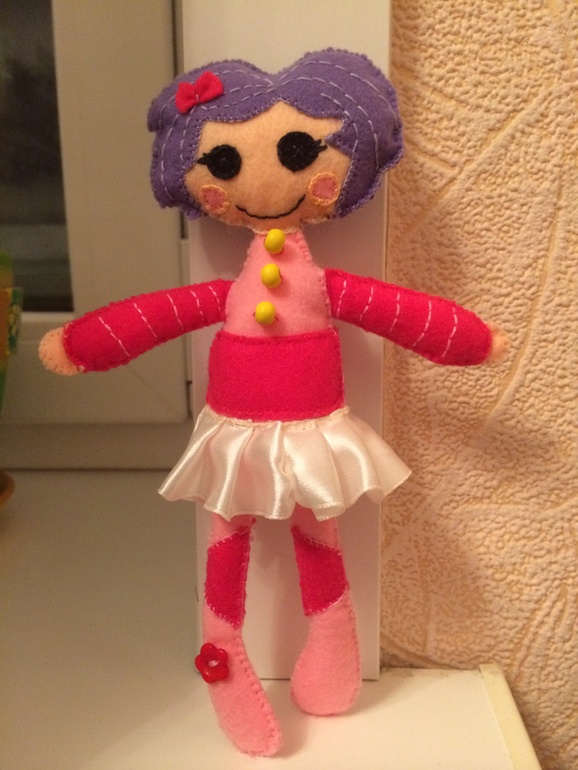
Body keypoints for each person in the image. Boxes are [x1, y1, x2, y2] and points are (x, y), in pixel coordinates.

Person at [39, 49, 508, 757]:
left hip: (313, 430)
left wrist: (466, 339)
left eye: (296, 151)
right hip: (235, 435)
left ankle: (332, 644)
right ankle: (221, 651)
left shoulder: (317, 287)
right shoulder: (244, 290)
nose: (258, 182)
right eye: (223, 162)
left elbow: (396, 311)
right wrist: (85, 343)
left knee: (319, 539)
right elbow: (164, 313)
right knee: (229, 548)